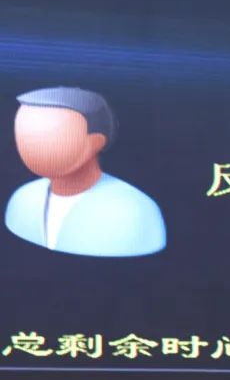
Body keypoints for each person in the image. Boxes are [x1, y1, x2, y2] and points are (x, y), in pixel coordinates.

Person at [5, 87, 166, 257]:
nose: (32, 147)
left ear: (96, 142)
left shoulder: (135, 211)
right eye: (26, 136)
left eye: (52, 136)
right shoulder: (22, 198)